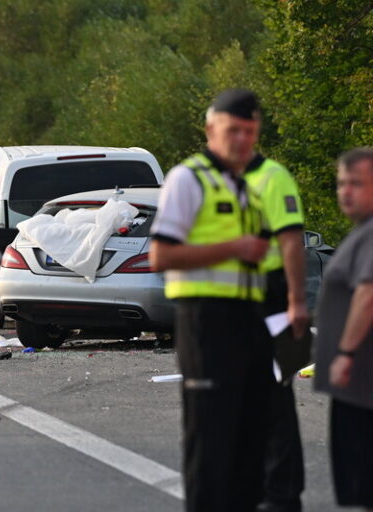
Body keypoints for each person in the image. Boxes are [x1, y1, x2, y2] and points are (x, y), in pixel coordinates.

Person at [149, 88, 272, 512]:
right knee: (210, 438)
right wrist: (234, 248)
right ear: (210, 130)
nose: (241, 140)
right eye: (233, 130)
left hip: (249, 321)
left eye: (250, 133)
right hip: (205, 321)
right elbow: (160, 255)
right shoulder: (188, 179)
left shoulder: (246, 186)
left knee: (250, 436)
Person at [242, 116, 309, 512]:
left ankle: (283, 494)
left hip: (275, 300)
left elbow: (291, 241)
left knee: (276, 399)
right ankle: (263, 487)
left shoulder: (273, 177)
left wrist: (297, 302)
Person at [314, 147, 373, 511]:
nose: (345, 191)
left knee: (363, 483)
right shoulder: (361, 232)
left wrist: (346, 353)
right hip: (359, 385)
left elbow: (368, 294)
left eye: (357, 183)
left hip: (362, 384)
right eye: (341, 183)